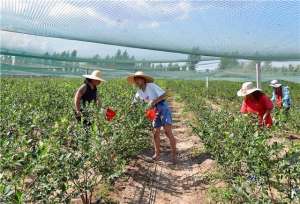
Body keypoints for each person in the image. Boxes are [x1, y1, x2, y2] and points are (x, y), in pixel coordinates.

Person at [127, 71, 177, 163]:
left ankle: (174, 154)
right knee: (155, 132)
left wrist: (154, 101)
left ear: (143, 80)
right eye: (135, 79)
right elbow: (133, 104)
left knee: (167, 131)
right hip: (153, 110)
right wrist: (127, 112)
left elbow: (165, 94)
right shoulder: (139, 92)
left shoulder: (151, 86)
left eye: (138, 79)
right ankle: (157, 154)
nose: (136, 81)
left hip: (162, 107)